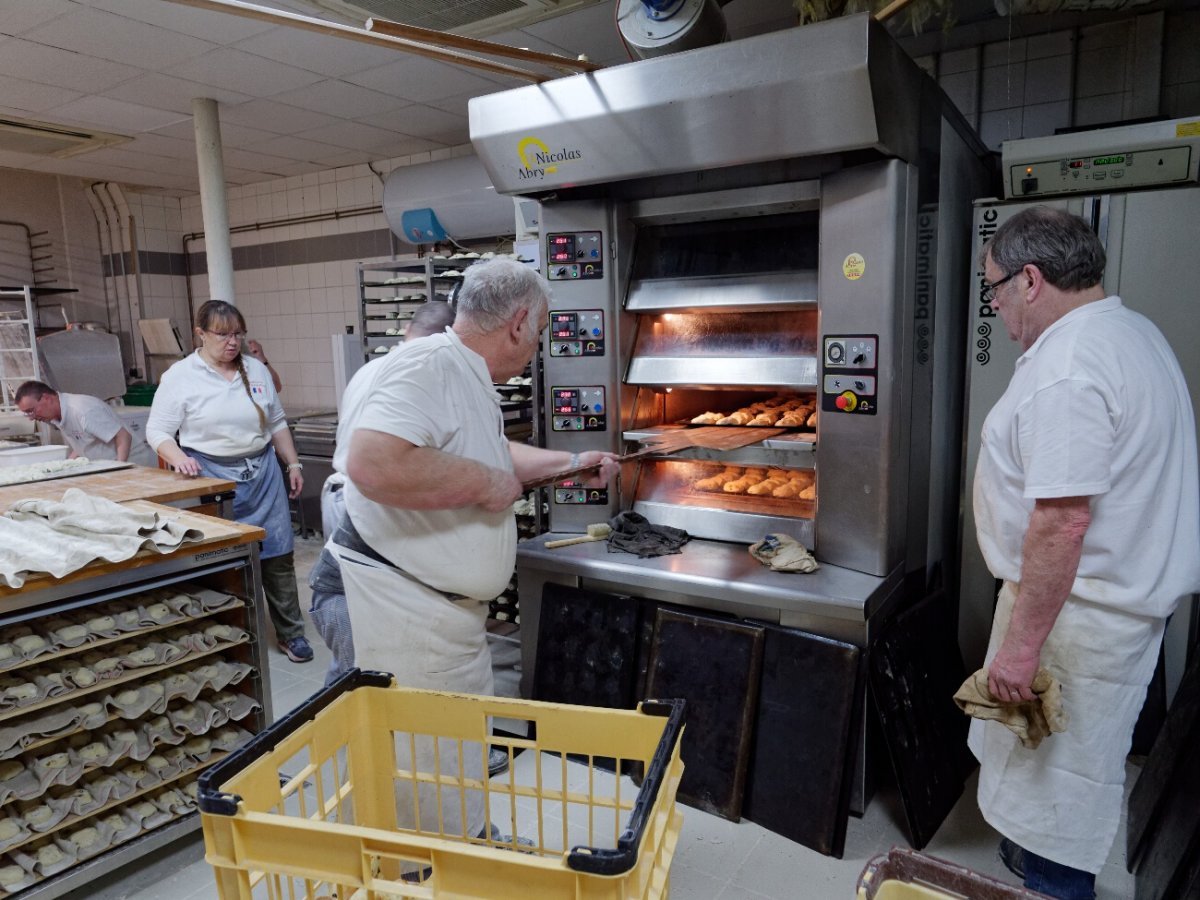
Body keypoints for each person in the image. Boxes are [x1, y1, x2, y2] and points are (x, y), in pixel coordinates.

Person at [331, 260, 619, 840]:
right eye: (538, 332)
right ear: (517, 323)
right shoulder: (429, 365)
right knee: (424, 752)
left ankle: (467, 841)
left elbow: (489, 453)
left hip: (443, 608)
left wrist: (570, 464)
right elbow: (374, 463)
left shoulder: (463, 373)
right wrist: (487, 486)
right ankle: (422, 869)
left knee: (452, 750)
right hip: (407, 601)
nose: (537, 346)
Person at [970, 206, 1200, 899]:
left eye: (996, 290)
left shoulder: (1070, 364)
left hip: (1077, 628)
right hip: (1098, 617)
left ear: (1031, 280)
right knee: (1051, 799)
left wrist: (1019, 650)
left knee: (1056, 818)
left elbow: (1062, 523)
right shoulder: (1131, 333)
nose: (997, 308)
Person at [146, 300, 314, 664]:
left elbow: (276, 422)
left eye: (238, 333)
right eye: (222, 334)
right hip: (211, 474)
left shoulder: (254, 369)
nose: (232, 342)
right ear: (200, 334)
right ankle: (228, 637)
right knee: (222, 558)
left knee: (278, 554)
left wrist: (294, 464)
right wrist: (178, 457)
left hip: (263, 472)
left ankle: (291, 633)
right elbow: (158, 430)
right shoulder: (181, 376)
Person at [308, 301, 458, 687]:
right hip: (366, 503)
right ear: (444, 340)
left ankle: (345, 706)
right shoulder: (420, 373)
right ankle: (353, 712)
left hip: (340, 495)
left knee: (361, 624)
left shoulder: (372, 368)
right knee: (367, 628)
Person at [15, 381, 158, 467]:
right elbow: (84, 441)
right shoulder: (56, 416)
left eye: (31, 411)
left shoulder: (82, 410)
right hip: (105, 466)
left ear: (46, 398)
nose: (31, 417)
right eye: (27, 413)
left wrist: (120, 468)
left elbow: (123, 436)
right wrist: (65, 466)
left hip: (133, 463)